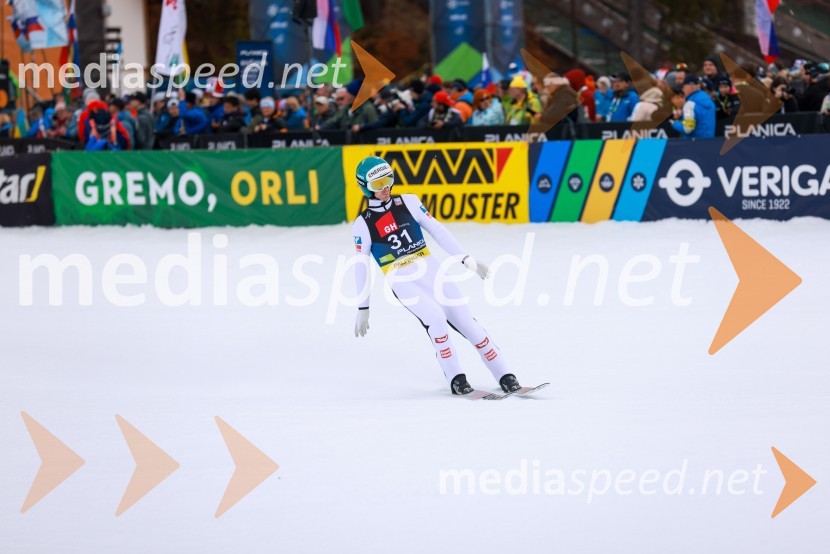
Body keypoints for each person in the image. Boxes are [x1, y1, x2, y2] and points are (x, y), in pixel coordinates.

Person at [351, 156, 525, 396]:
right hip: (402, 279)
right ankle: (457, 379)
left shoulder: (410, 202)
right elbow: (361, 265)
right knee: (436, 320)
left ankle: (506, 375)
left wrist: (465, 258)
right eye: (378, 184)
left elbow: (438, 230)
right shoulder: (362, 224)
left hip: (431, 270)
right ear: (365, 187)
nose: (385, 188)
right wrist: (363, 307)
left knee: (468, 323)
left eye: (388, 180)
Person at [672, 74, 715, 139]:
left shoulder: (690, 104)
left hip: (693, 145)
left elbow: (687, 129)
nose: (683, 89)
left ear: (691, 86)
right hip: (710, 143)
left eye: (683, 87)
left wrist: (674, 123)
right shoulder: (710, 102)